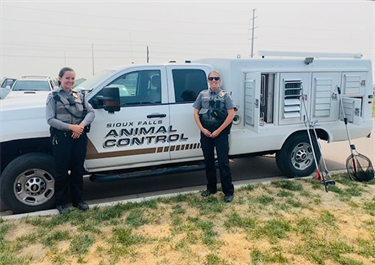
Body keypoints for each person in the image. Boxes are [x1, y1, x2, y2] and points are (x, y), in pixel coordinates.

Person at [46, 67, 95, 214]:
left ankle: (78, 201)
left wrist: (80, 126)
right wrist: (70, 127)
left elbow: (91, 112)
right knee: (61, 171)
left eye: (73, 78)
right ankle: (61, 203)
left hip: (79, 136)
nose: (70, 81)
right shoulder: (53, 97)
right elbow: (50, 119)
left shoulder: (79, 95)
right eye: (67, 78)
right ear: (60, 79)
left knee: (77, 170)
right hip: (62, 138)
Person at [193, 70, 235, 203]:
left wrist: (218, 130)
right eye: (211, 79)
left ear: (220, 80)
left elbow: (231, 115)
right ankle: (211, 188)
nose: (214, 81)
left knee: (223, 162)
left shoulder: (225, 96)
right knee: (209, 161)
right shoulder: (202, 94)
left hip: (220, 132)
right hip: (206, 131)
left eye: (216, 79)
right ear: (208, 80)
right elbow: (195, 112)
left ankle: (228, 191)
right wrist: (202, 129)